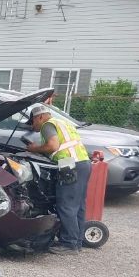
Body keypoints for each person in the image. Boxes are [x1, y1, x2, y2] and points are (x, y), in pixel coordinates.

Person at [26, 104, 91, 255]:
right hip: (83, 163)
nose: (32, 126)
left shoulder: (47, 125)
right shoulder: (64, 123)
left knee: (66, 204)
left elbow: (53, 146)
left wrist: (34, 149)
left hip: (69, 165)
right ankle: (77, 241)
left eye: (32, 122)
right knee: (78, 204)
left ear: (39, 117)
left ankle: (68, 244)